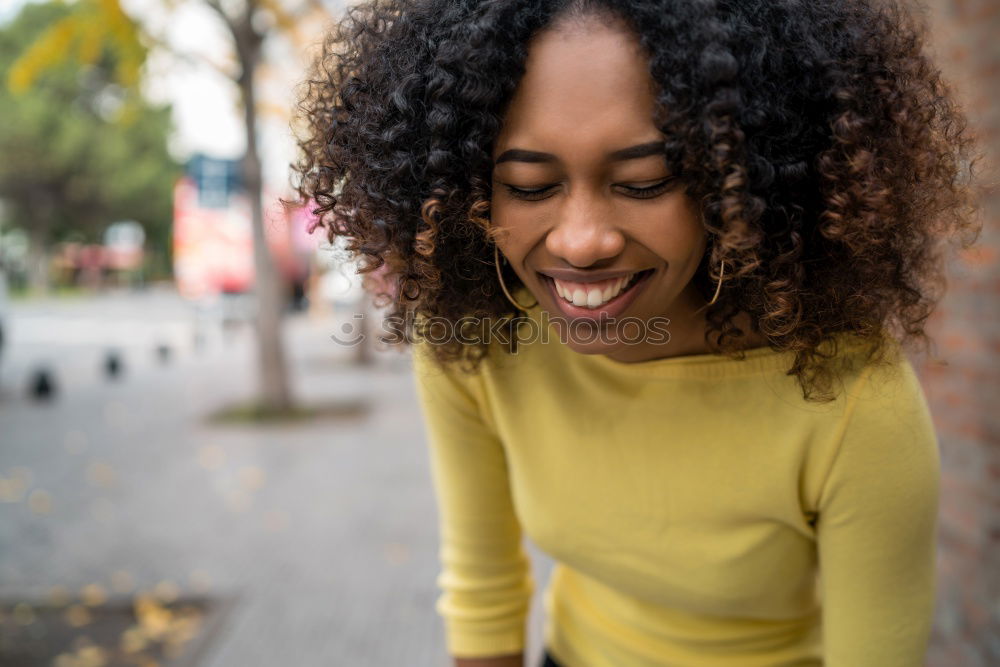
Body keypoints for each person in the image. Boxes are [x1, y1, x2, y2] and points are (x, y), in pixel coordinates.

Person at [291, 1, 982, 665]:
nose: (583, 240)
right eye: (530, 187)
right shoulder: (475, 344)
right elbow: (483, 586)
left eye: (646, 180)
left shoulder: (856, 401)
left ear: (736, 180)